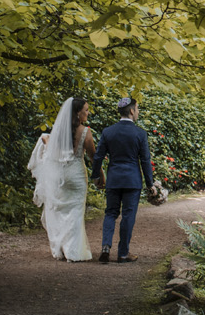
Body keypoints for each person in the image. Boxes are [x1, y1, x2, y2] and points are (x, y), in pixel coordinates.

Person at [26, 97, 96, 261]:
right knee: (75, 212)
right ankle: (73, 250)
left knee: (59, 210)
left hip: (59, 176)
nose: (88, 113)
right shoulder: (85, 132)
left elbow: (49, 147)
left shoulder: (58, 133)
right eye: (86, 110)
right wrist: (100, 175)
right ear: (78, 114)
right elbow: (94, 156)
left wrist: (45, 138)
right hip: (76, 176)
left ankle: (60, 248)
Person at [91, 95, 155, 263]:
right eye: (138, 109)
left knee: (110, 213)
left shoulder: (108, 131)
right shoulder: (140, 133)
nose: (138, 112)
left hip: (113, 179)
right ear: (132, 111)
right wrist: (150, 183)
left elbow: (98, 157)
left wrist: (96, 177)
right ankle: (122, 253)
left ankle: (105, 247)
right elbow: (145, 160)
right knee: (128, 215)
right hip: (132, 181)